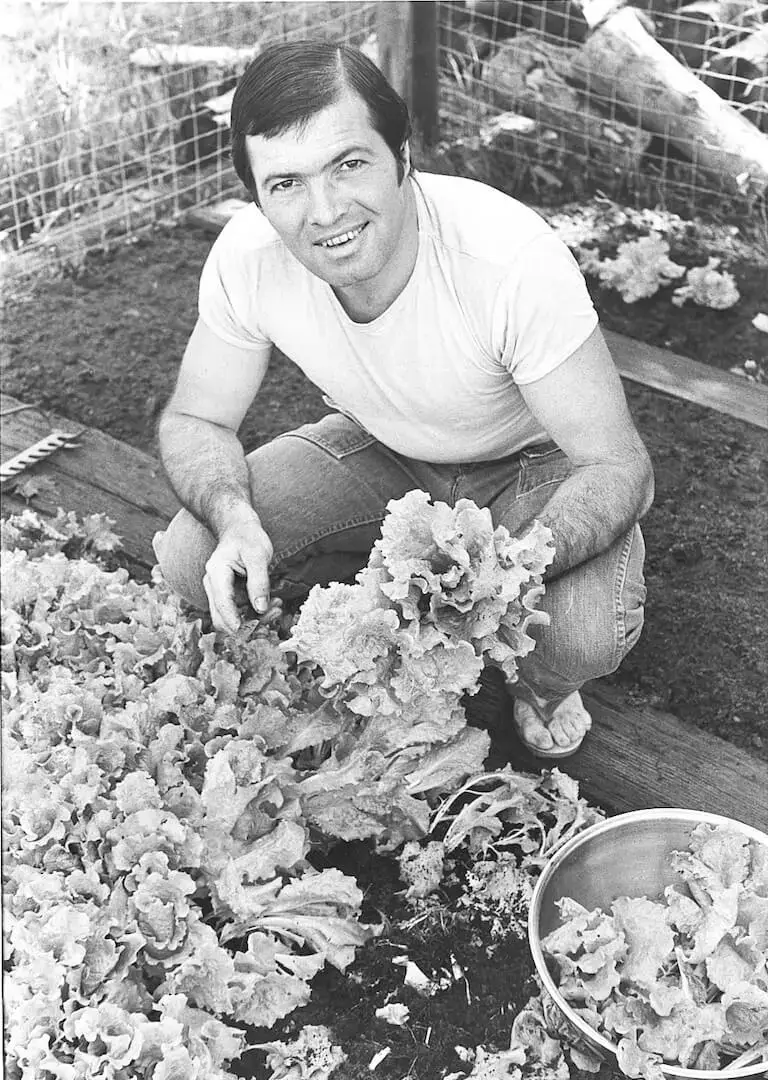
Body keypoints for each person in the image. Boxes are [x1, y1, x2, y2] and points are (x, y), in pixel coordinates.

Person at [155, 39, 653, 760]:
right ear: (258, 197)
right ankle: (401, 570)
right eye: (286, 184)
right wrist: (235, 519)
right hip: (385, 452)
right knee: (190, 555)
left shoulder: (507, 261)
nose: (324, 211)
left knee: (579, 638)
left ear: (404, 159)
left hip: (533, 466)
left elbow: (618, 465)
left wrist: (508, 563)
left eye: (348, 164)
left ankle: (537, 681)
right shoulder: (246, 259)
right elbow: (196, 417)